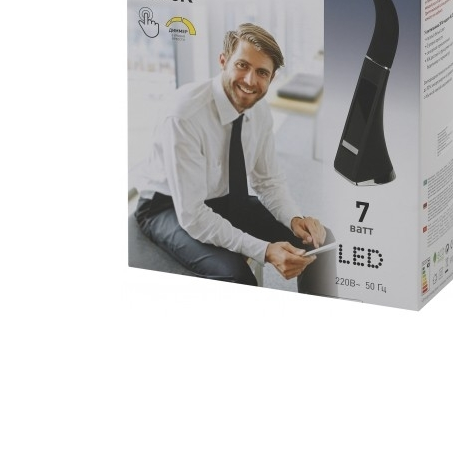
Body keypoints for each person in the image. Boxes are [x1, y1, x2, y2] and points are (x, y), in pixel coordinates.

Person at [132, 22, 334, 292]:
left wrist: (294, 220)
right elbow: (193, 214)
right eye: (242, 65)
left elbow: (268, 181)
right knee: (236, 276)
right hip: (166, 206)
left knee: (319, 241)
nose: (250, 80)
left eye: (261, 72)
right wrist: (265, 250)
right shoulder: (184, 115)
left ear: (272, 78)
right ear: (223, 61)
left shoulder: (260, 112)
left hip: (221, 197)